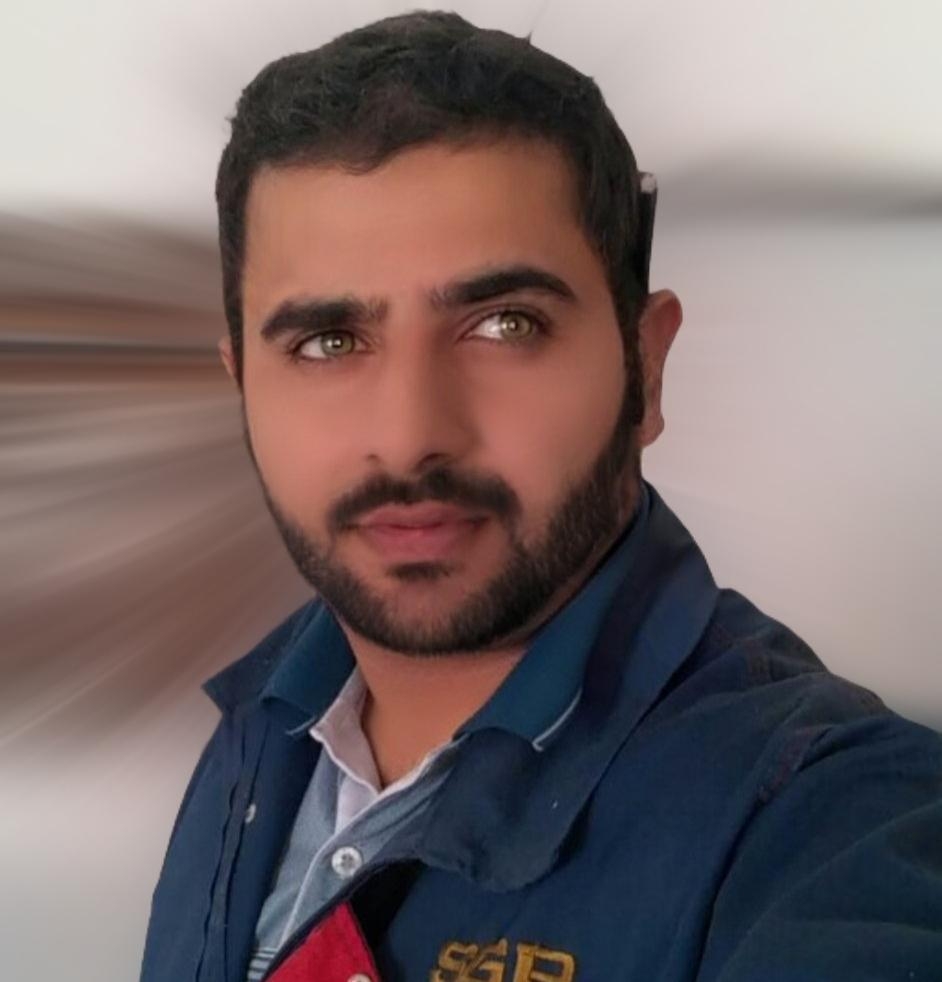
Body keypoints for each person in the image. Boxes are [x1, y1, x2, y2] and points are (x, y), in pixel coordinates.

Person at [140, 11, 942, 982]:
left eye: (504, 325)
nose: (411, 433)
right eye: (328, 342)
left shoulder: (836, 821)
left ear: (645, 368)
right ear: (242, 386)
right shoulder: (260, 730)